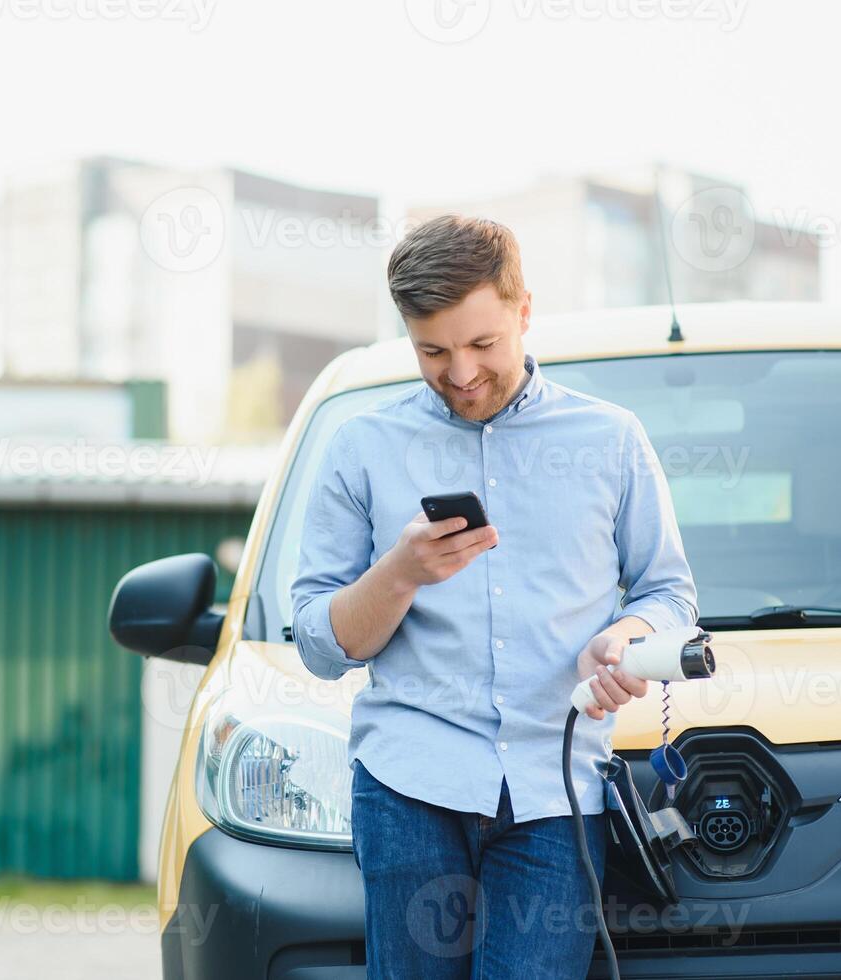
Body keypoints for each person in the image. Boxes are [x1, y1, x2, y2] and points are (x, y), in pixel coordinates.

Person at [290, 214, 699, 978]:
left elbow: (669, 592)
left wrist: (627, 638)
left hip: (556, 797)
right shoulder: (362, 448)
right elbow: (318, 644)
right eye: (433, 351)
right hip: (408, 792)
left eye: (483, 345)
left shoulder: (610, 440)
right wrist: (400, 573)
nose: (462, 373)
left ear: (524, 311)